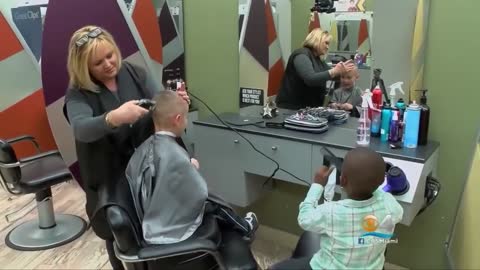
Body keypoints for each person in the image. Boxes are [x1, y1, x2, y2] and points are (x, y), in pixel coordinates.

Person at [63, 25, 190, 270]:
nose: (109, 64)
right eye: (98, 62)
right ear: (84, 67)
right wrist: (114, 117)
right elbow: (81, 129)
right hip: (110, 176)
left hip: (147, 169)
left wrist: (175, 102)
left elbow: (159, 103)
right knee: (120, 235)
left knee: (155, 228)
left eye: (110, 55)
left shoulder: (134, 72)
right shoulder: (77, 94)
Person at [126, 90, 258, 245]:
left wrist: (185, 167)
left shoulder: (146, 146)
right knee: (214, 202)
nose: (186, 122)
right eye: (186, 118)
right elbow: (198, 192)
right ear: (178, 119)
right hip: (169, 224)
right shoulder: (173, 153)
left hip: (153, 210)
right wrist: (191, 168)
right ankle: (245, 227)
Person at [271, 148, 404, 270]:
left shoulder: (331, 212)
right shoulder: (389, 204)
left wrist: (317, 185)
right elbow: (396, 210)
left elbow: (304, 219)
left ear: (343, 180)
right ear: (382, 181)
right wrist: (373, 183)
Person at [276, 28, 355, 110]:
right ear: (317, 40)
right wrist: (334, 71)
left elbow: (331, 76)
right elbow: (310, 79)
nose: (328, 47)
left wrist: (342, 72)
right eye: (326, 43)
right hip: (291, 108)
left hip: (308, 109)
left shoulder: (318, 59)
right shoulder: (301, 55)